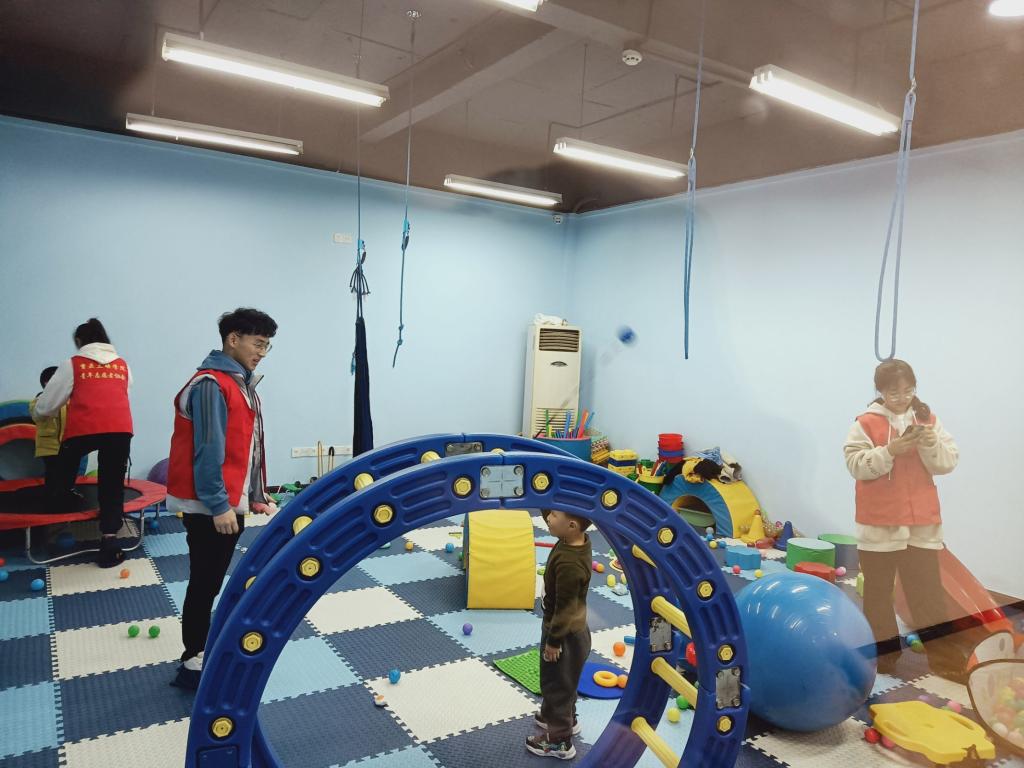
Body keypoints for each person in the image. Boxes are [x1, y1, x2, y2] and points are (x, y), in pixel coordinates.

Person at [168, 308, 278, 690]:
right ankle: (192, 661)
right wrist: (219, 506)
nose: (262, 352)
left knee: (213, 580)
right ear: (233, 339)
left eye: (267, 346)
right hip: (211, 507)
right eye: (258, 343)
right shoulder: (211, 384)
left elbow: (247, 448)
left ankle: (203, 649)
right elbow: (208, 450)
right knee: (204, 582)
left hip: (229, 503)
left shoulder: (243, 385)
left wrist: (255, 496)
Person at [844, 358, 965, 680]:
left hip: (921, 525)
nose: (902, 397)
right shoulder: (865, 422)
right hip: (879, 526)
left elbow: (946, 463)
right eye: (894, 392)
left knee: (928, 595)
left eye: (908, 390)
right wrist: (890, 450)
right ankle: (883, 659)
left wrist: (930, 443)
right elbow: (855, 464)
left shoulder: (928, 419)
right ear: (880, 391)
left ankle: (946, 660)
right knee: (878, 595)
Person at [33, 319, 133, 567]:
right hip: (119, 428)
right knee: (112, 485)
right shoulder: (122, 364)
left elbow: (48, 404)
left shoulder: (73, 364)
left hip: (84, 428)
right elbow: (123, 392)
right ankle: (110, 542)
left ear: (79, 341)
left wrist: (38, 414)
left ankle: (51, 521)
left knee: (62, 470)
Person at [527, 509, 592, 760]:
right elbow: (556, 512)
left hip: (563, 634)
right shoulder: (574, 540)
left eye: (553, 515)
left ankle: (559, 742)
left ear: (572, 525)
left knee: (557, 685)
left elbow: (566, 609)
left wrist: (554, 642)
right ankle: (563, 718)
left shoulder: (570, 564)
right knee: (565, 681)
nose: (547, 519)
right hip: (572, 631)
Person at [29, 366, 68, 497]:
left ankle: (65, 493)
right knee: (53, 472)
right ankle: (51, 495)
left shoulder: (67, 400)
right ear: (47, 383)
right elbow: (37, 415)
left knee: (66, 472)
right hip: (49, 445)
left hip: (66, 443)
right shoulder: (40, 399)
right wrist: (51, 396)